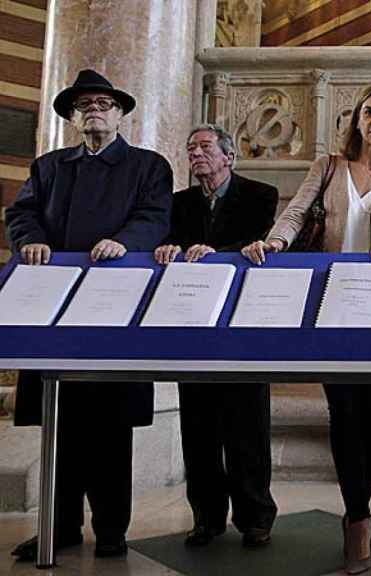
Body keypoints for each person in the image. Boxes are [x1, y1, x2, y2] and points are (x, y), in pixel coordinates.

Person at [242, 82, 371, 574]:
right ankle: (357, 517)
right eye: (370, 113)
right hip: (331, 303)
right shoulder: (328, 168)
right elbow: (296, 213)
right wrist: (273, 243)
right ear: (356, 121)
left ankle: (360, 508)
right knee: (342, 410)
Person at [5, 69, 172, 561]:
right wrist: (30, 240)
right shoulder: (48, 167)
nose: (94, 110)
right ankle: (59, 528)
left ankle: (112, 530)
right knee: (60, 424)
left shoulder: (148, 165)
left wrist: (124, 243)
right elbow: (21, 214)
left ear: (120, 114)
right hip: (55, 310)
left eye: (103, 103)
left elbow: (155, 217)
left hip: (114, 307)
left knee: (110, 427)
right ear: (73, 118)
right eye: (85, 105)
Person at [154, 124, 279, 549]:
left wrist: (218, 252)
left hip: (244, 326)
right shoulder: (177, 204)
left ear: (229, 156)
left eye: (205, 147)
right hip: (193, 330)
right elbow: (168, 242)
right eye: (190, 148)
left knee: (248, 427)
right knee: (199, 427)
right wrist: (168, 249)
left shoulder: (261, 195)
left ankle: (256, 517)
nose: (196, 154)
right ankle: (206, 517)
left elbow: (259, 243)